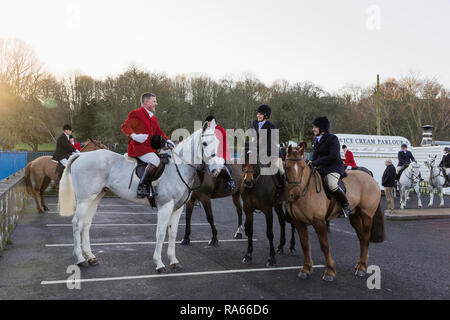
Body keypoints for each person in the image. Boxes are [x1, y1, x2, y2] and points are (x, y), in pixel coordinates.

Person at [121, 92, 175, 199]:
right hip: (138, 148)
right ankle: (142, 187)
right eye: (154, 101)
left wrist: (168, 140)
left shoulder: (153, 118)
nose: (156, 104)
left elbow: (158, 132)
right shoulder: (136, 114)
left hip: (149, 149)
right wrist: (133, 136)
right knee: (155, 161)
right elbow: (125, 126)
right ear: (146, 102)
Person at [311, 116, 352, 218]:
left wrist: (316, 162)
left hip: (333, 167)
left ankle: (346, 205)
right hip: (321, 167)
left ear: (322, 128)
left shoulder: (332, 138)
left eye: (315, 127)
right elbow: (316, 154)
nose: (313, 129)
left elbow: (333, 156)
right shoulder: (316, 139)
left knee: (332, 184)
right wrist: (311, 162)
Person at [250, 104, 284, 199]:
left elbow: (271, 143)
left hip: (272, 153)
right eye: (258, 113)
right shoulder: (254, 124)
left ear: (266, 116)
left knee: (282, 171)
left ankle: (282, 191)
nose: (258, 115)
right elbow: (253, 139)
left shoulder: (271, 126)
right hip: (258, 152)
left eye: (260, 114)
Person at [205, 115, 235, 191]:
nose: (208, 124)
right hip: (211, 154)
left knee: (222, 166)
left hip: (222, 152)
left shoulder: (220, 129)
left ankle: (230, 181)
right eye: (207, 122)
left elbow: (220, 143)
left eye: (209, 122)